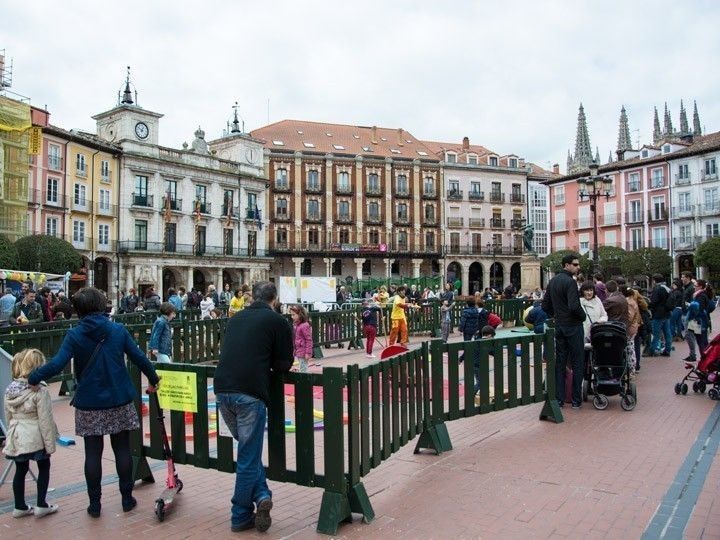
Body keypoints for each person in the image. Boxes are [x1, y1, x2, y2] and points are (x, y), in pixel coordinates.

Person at [27, 287, 159, 518]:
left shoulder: (74, 335)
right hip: (118, 398)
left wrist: (34, 377)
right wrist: (154, 378)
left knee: (92, 454)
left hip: (89, 401)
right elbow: (139, 357)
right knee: (122, 450)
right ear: (101, 306)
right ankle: (127, 499)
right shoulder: (117, 330)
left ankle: (95, 504)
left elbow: (57, 364)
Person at [214, 282, 293, 533]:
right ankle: (240, 515)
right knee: (248, 458)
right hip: (249, 393)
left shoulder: (236, 319)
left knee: (248, 452)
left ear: (252, 298)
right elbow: (284, 362)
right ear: (274, 299)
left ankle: (261, 495)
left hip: (222, 390)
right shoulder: (277, 321)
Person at [3, 348, 60, 518]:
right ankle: (41, 504)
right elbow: (45, 419)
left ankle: (19, 506)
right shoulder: (39, 390)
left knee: (20, 469)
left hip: (18, 435)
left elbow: (8, 417)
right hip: (36, 435)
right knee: (44, 466)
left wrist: (10, 435)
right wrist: (50, 444)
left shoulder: (10, 390)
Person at [541, 253, 586, 409]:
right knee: (577, 362)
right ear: (566, 265)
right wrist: (583, 316)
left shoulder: (552, 281)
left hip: (559, 326)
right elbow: (574, 306)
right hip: (573, 326)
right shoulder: (570, 282)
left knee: (560, 363)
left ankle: (559, 399)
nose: (578, 267)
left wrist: (557, 315)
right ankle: (575, 399)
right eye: (575, 264)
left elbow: (545, 306)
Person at [648, 273, 673, 356]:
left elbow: (654, 302)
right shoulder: (667, 288)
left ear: (654, 281)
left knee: (656, 334)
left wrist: (649, 305)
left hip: (658, 314)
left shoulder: (657, 289)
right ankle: (668, 350)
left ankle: (652, 350)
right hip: (667, 313)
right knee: (667, 333)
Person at [289, 305, 313, 372]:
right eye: (291, 315)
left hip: (303, 351)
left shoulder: (304, 325)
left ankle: (304, 381)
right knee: (302, 367)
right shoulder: (297, 325)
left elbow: (309, 340)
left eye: (293, 315)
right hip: (299, 350)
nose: (292, 317)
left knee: (303, 369)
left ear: (299, 314)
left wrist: (308, 353)